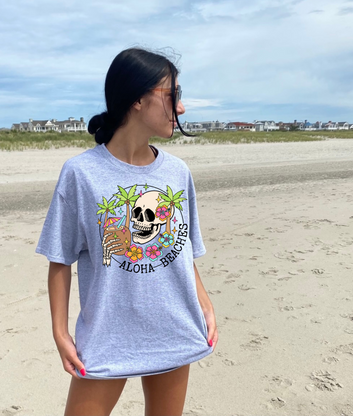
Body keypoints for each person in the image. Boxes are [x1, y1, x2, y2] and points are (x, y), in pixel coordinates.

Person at [36, 47, 218, 416]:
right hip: (107, 335)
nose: (181, 108)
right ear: (137, 99)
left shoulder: (177, 173)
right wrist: (60, 332)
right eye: (173, 95)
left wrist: (204, 301)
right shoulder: (81, 173)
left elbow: (183, 249)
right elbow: (60, 258)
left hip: (174, 326)